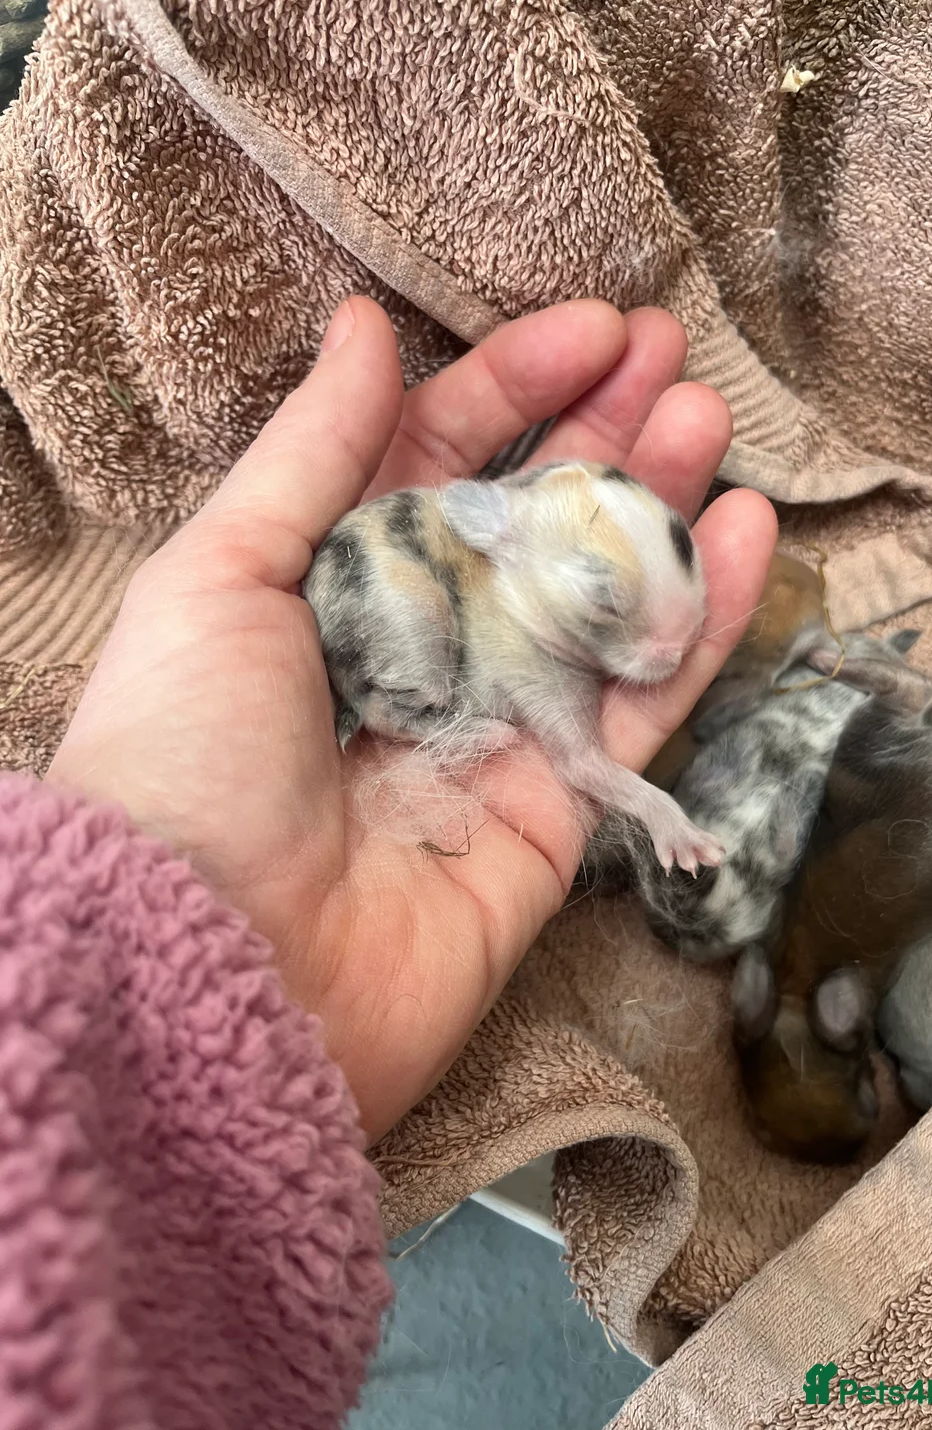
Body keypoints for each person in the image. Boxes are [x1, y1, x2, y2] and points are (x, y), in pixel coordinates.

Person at [0, 296, 776, 1428]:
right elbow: (570, 749)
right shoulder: (485, 577)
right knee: (406, 636)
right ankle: (400, 705)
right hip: (389, 633)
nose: (662, 652)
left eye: (671, 601)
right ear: (503, 540)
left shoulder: (529, 567)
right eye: (612, 606)